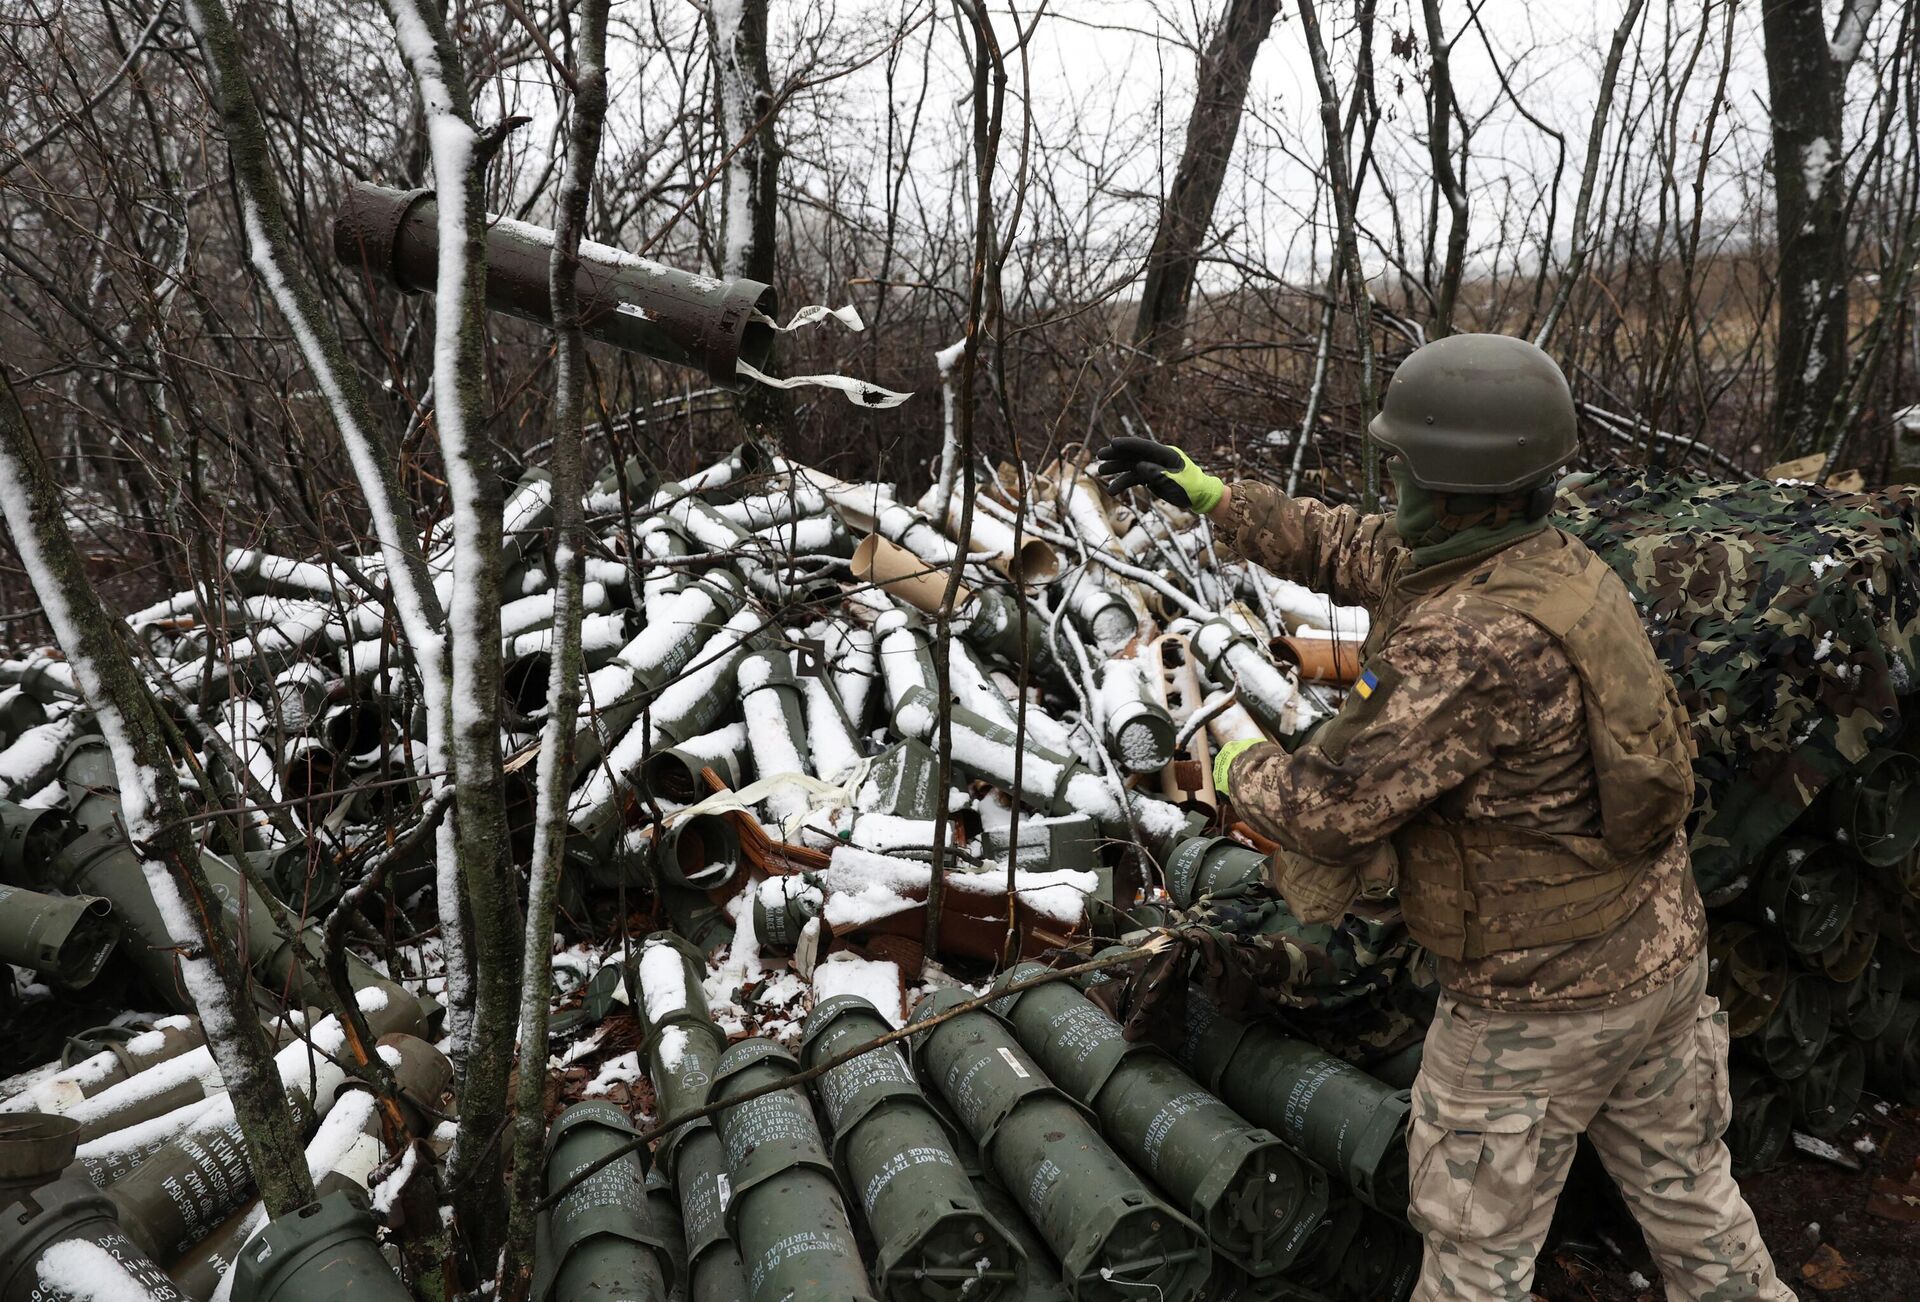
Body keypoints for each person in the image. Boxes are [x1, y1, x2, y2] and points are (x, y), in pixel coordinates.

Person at [1095, 333, 1795, 1302]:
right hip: (1655, 958)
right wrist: (1217, 498)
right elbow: (1356, 548)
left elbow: (1332, 812)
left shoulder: (1473, 643)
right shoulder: (1542, 562)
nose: (1390, 486)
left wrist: (1230, 760)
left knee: (1473, 1263)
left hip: (1535, 1005)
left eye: (1401, 467)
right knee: (1692, 1200)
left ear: (1454, 482)